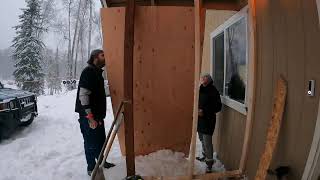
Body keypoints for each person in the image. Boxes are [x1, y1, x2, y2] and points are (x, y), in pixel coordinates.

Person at [75, 49, 115, 176]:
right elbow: (83, 95)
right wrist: (90, 117)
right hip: (88, 117)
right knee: (91, 142)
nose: (105, 58)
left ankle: (102, 162)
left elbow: (97, 93)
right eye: (103, 55)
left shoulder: (97, 73)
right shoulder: (88, 72)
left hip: (97, 116)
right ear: (95, 57)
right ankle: (91, 167)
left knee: (100, 140)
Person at [196, 73, 222, 173]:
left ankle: (209, 165)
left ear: (209, 80)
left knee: (207, 142)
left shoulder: (213, 91)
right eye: (202, 78)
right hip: (200, 120)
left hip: (208, 121)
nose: (203, 79)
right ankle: (204, 156)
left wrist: (204, 111)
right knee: (201, 139)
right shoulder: (201, 89)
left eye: (205, 78)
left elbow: (218, 107)